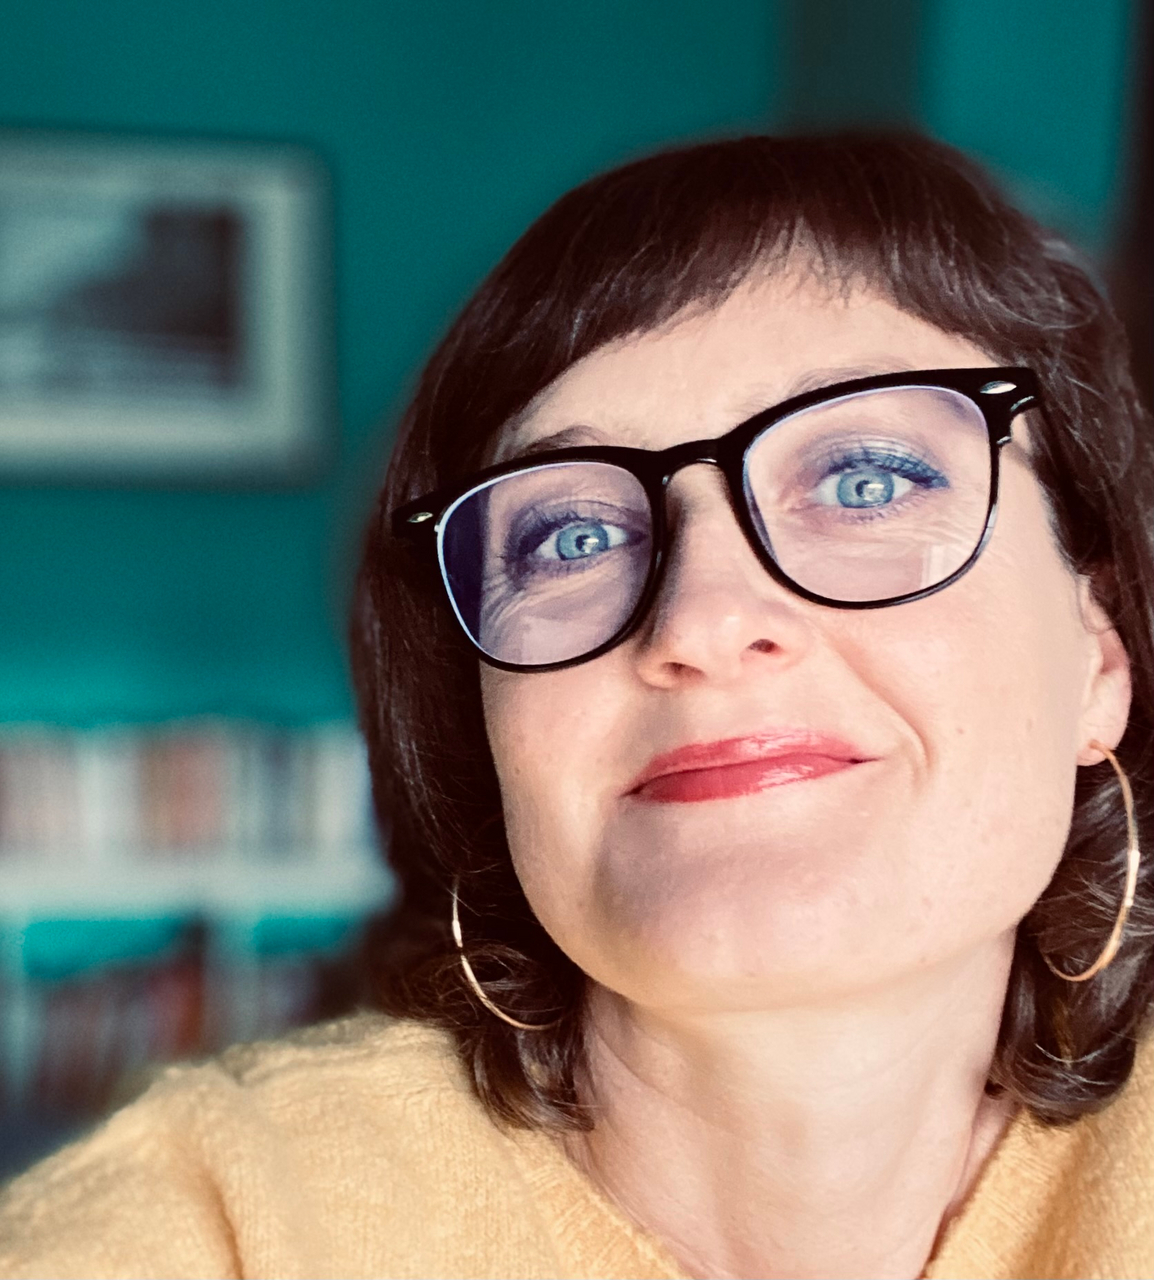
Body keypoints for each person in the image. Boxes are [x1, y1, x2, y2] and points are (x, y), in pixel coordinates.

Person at [2, 131, 1153, 1280]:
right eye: (572, 536)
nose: (700, 618)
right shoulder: (215, 1229)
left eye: (865, 478)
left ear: (1097, 654)